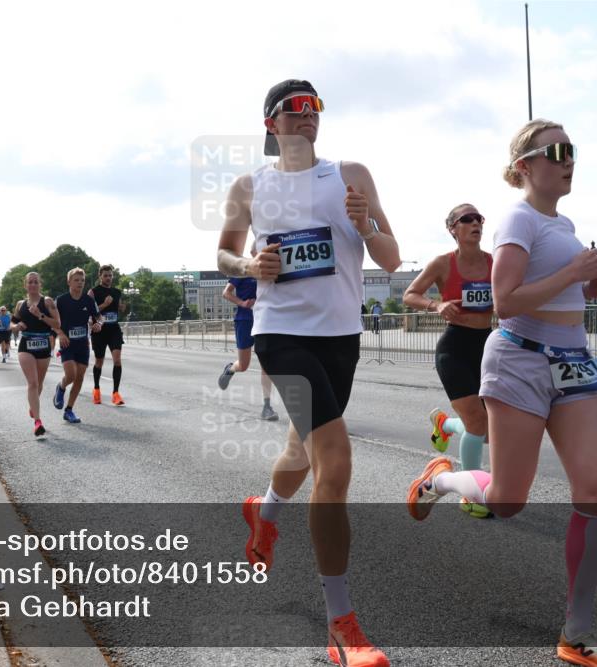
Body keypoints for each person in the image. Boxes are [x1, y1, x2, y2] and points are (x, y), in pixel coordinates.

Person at [405, 119, 597, 666]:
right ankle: (440, 479)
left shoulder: (564, 223)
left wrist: (593, 286)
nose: (569, 160)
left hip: (573, 363)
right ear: (524, 167)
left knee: (596, 492)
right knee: (508, 501)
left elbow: (559, 292)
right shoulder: (517, 218)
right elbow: (506, 301)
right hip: (520, 362)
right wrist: (573, 272)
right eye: (557, 151)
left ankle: (576, 636)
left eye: (572, 150)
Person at [217, 79, 400, 667]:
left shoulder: (350, 174)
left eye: (315, 106)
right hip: (280, 332)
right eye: (294, 108)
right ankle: (341, 626)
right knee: (335, 461)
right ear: (271, 123)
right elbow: (223, 253)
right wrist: (250, 264)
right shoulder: (251, 186)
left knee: (302, 448)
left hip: (340, 337)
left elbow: (391, 258)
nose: (308, 115)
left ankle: (263, 511)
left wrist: (366, 223)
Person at [403, 203, 493, 518]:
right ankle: (470, 494)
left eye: (479, 218)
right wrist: (436, 305)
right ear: (452, 228)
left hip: (488, 347)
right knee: (477, 422)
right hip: (454, 348)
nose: (475, 222)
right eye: (467, 219)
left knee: (487, 431)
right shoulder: (443, 263)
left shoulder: (495, 262)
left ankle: (444, 425)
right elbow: (410, 294)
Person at [217, 256, 279, 421]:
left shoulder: (270, 270)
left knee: (266, 363)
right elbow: (226, 293)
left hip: (264, 320)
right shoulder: (243, 271)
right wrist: (242, 303)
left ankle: (267, 406)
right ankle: (230, 369)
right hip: (245, 320)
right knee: (244, 365)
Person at [11, 272, 61, 437]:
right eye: (30, 282)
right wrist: (16, 326)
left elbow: (57, 323)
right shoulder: (20, 304)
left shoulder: (47, 302)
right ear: (25, 285)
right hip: (26, 344)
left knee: (39, 383)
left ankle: (33, 407)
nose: (33, 285)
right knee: (32, 383)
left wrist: (40, 315)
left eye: (35, 282)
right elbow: (12, 323)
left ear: (40, 284)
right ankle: (38, 422)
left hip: (43, 344)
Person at [54, 268, 102, 424]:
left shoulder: (88, 300)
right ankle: (61, 387)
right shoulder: (61, 300)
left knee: (79, 377)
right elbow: (52, 321)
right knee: (71, 375)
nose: (80, 283)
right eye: (76, 280)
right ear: (69, 282)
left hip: (83, 344)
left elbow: (99, 317)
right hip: (67, 343)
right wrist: (60, 334)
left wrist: (99, 324)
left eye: (82, 280)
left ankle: (69, 410)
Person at [89, 264, 126, 405]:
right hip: (99, 330)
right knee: (99, 361)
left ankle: (116, 393)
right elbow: (90, 311)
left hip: (114, 329)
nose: (108, 278)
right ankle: (96, 390)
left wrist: (121, 308)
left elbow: (119, 308)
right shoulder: (93, 292)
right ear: (100, 276)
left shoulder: (117, 292)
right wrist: (104, 304)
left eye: (110, 275)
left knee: (117, 360)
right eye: (105, 275)